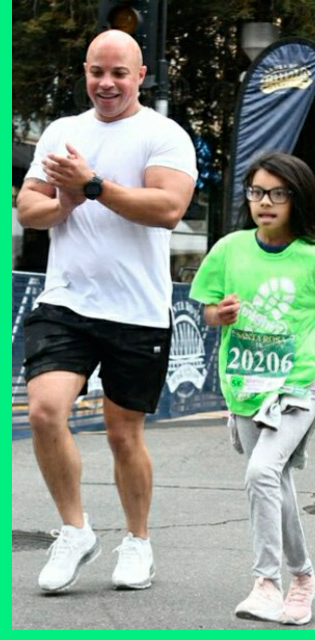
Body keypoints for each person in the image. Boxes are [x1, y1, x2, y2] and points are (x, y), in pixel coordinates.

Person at [16, 30, 198, 593]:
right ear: (86, 72)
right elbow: (28, 207)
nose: (106, 83)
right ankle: (75, 531)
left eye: (119, 73)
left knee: (124, 435)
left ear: (141, 75)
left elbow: (168, 208)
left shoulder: (163, 134)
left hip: (137, 311)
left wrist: (90, 185)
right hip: (66, 300)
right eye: (97, 71)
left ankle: (138, 540)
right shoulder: (64, 131)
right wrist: (63, 199)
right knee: (46, 412)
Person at [189, 152, 315, 626]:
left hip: (297, 388)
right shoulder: (230, 249)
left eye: (277, 193)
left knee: (262, 471)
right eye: (257, 192)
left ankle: (266, 583)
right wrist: (216, 316)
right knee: (275, 482)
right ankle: (304, 577)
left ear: (296, 198)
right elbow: (206, 308)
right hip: (243, 386)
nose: (265, 202)